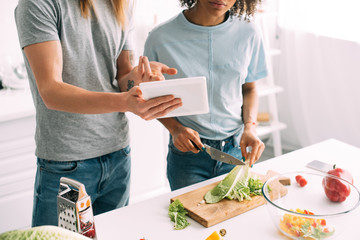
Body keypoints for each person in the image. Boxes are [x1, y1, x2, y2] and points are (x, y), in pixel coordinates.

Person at [15, 0, 182, 227]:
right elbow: (51, 91)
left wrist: (139, 78)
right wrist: (125, 102)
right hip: (66, 162)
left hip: (117, 156)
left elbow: (123, 77)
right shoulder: (38, 3)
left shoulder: (122, 4)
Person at [144, 0, 267, 190]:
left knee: (236, 216)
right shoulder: (160, 37)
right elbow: (150, 98)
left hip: (236, 149)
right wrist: (175, 128)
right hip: (188, 153)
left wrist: (249, 127)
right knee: (190, 217)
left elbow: (249, 88)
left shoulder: (249, 32)